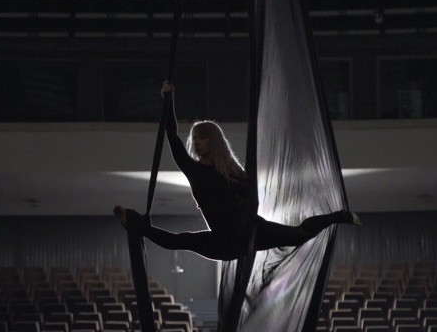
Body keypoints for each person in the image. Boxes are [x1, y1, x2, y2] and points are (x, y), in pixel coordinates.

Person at [114, 80, 360, 261]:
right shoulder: (194, 170)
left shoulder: (235, 173)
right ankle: (133, 223)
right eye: (195, 138)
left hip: (251, 232)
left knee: (299, 233)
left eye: (202, 138)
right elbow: (172, 137)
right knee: (180, 240)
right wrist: (169, 100)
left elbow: (252, 201)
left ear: (214, 141)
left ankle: (341, 216)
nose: (197, 142)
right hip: (223, 243)